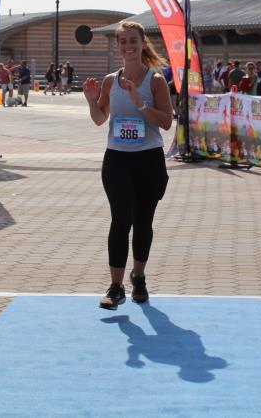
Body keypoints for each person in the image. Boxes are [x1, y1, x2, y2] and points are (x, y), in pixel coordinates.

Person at [83, 21, 173, 310]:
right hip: (117, 160)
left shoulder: (155, 80)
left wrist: (140, 103)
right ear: (117, 46)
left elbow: (167, 122)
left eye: (133, 40)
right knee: (121, 220)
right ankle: (115, 286)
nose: (128, 46)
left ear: (143, 43)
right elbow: (100, 119)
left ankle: (139, 277)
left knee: (143, 221)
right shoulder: (111, 81)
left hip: (148, 159)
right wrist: (91, 101)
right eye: (123, 41)